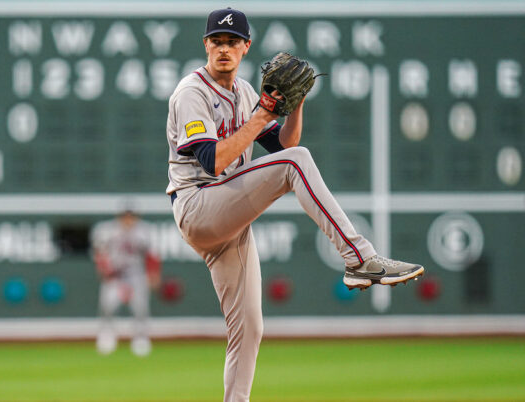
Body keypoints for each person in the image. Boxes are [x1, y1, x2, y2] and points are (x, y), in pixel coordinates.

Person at [165, 7, 424, 402]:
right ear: (205, 45)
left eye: (232, 42)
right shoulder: (192, 92)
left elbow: (283, 145)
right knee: (297, 162)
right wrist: (262, 116)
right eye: (217, 40)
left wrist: (294, 102)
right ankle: (360, 259)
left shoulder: (245, 92)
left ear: (245, 47)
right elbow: (213, 161)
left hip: (228, 219)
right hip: (199, 204)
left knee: (250, 328)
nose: (224, 48)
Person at [90, 205, 161, 357]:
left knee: (140, 309)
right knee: (107, 307)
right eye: (125, 216)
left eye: (131, 216)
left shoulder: (144, 231)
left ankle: (141, 338)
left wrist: (153, 273)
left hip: (136, 274)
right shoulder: (108, 230)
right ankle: (107, 336)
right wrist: (103, 268)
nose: (128, 220)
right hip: (115, 275)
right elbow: (99, 252)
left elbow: (152, 255)